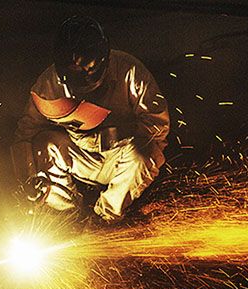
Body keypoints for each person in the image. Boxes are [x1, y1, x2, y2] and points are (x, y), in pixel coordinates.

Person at [11, 15, 170, 221]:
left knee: (145, 153)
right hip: (80, 157)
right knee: (44, 144)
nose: (84, 80)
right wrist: (29, 179)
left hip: (120, 157)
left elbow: (158, 126)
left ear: (104, 59)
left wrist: (117, 134)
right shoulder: (48, 85)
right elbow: (25, 135)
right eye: (75, 72)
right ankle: (68, 215)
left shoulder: (130, 71)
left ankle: (105, 217)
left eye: (89, 70)